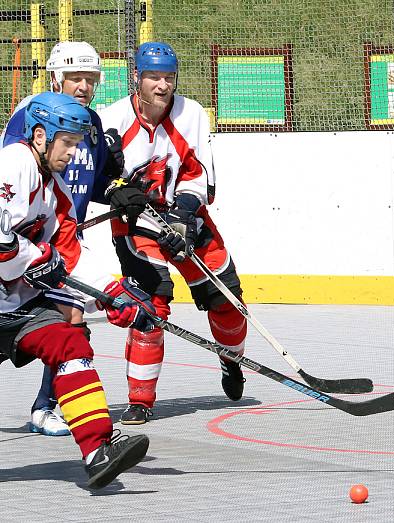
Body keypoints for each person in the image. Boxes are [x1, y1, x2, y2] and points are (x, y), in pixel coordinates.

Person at [0, 91, 157, 488]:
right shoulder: (13, 164)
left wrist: (112, 294)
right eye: (66, 143)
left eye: (75, 144)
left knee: (70, 344)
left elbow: (69, 250)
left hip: (16, 307)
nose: (72, 154)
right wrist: (35, 257)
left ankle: (98, 450)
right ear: (39, 135)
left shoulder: (55, 190)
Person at [99, 42, 247, 424]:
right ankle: (140, 400)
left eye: (168, 78)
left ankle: (231, 360)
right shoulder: (110, 118)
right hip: (136, 226)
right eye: (153, 78)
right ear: (137, 78)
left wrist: (183, 213)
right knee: (151, 306)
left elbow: (199, 172)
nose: (162, 86)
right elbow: (99, 179)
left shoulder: (190, 113)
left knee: (227, 299)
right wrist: (118, 191)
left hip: (187, 217)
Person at [1, 41, 141, 437]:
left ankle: (57, 413)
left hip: (51, 243)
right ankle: (48, 409)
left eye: (91, 79)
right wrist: (32, 254)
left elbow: (90, 187)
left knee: (69, 325)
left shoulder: (90, 125)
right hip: (28, 250)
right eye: (75, 78)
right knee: (66, 320)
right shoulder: (28, 125)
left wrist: (117, 187)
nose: (83, 86)